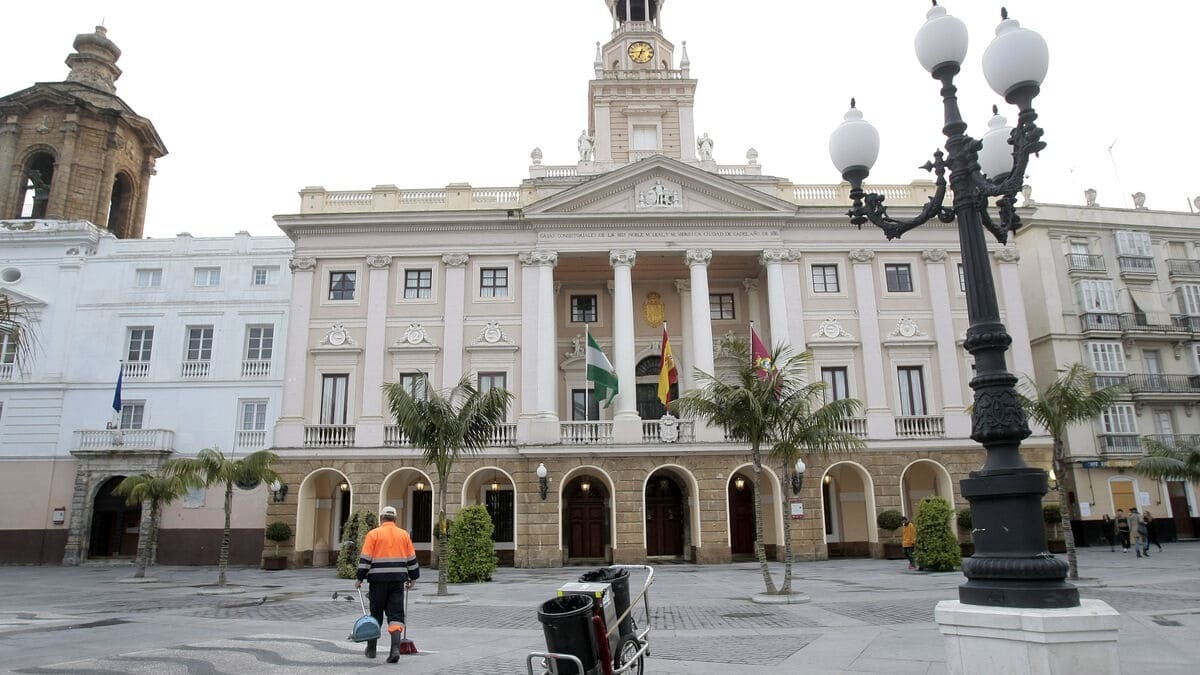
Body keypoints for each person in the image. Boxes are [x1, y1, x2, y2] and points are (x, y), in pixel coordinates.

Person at [355, 506, 420, 662]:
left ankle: (371, 649)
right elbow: (411, 558)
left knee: (376, 614)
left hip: (377, 582)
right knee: (396, 614)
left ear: (381, 518)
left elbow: (365, 559)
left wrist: (359, 578)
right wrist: (413, 577)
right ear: (395, 519)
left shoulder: (373, 534)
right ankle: (395, 649)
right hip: (397, 581)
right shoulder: (404, 535)